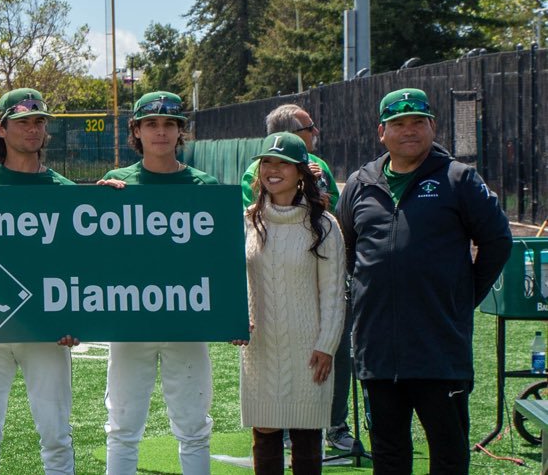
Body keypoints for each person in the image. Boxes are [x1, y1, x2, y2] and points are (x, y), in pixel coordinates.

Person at [338, 88, 511, 474]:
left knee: (448, 454)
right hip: (378, 349)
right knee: (389, 454)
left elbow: (498, 242)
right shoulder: (360, 184)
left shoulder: (459, 179)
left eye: (418, 122)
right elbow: (346, 251)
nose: (409, 131)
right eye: (399, 124)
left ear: (433, 126)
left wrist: (461, 295)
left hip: (438, 349)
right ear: (382, 132)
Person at [0, 88, 78, 475]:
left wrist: (77, 319)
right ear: (1, 129)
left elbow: (78, 265)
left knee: (56, 434)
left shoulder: (65, 191)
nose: (33, 129)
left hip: (46, 328)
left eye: (39, 121)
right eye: (22, 121)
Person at [97, 91, 217, 475]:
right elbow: (97, 255)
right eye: (151, 124)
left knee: (194, 425)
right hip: (131, 321)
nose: (161, 132)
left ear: (181, 131)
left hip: (186, 319)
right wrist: (99, 211)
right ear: (136, 129)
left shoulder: (204, 186)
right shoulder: (117, 183)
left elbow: (221, 257)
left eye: (169, 124)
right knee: (122, 426)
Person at [235, 132, 345, 474]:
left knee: (307, 440)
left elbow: (333, 292)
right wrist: (235, 319)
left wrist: (327, 345)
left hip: (310, 351)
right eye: (267, 161)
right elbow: (233, 281)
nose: (273, 169)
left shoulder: (324, 226)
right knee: (264, 439)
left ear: (302, 172)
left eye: (284, 162)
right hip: (261, 348)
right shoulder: (246, 222)